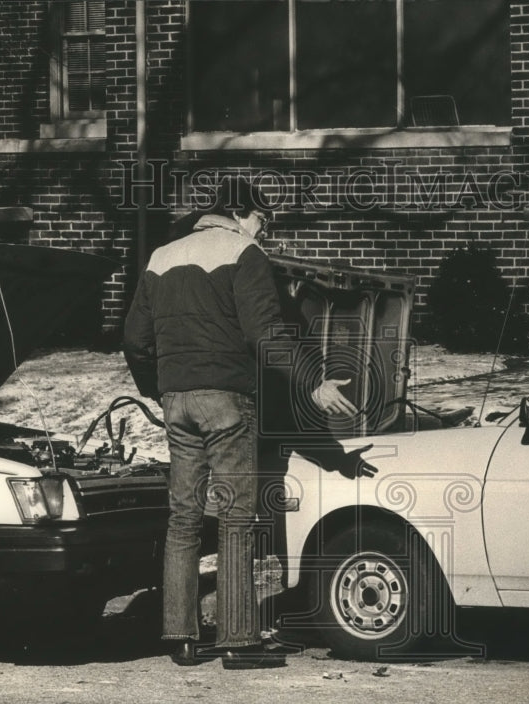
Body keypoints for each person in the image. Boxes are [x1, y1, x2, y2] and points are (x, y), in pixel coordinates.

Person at [123, 176, 356, 669]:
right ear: (243, 214)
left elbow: (135, 340)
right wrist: (313, 381)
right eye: (262, 220)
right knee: (235, 518)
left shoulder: (161, 256)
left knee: (183, 518)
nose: (263, 231)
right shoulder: (244, 253)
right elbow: (265, 332)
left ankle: (180, 637)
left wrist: (159, 388)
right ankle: (238, 638)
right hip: (227, 401)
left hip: (178, 403)